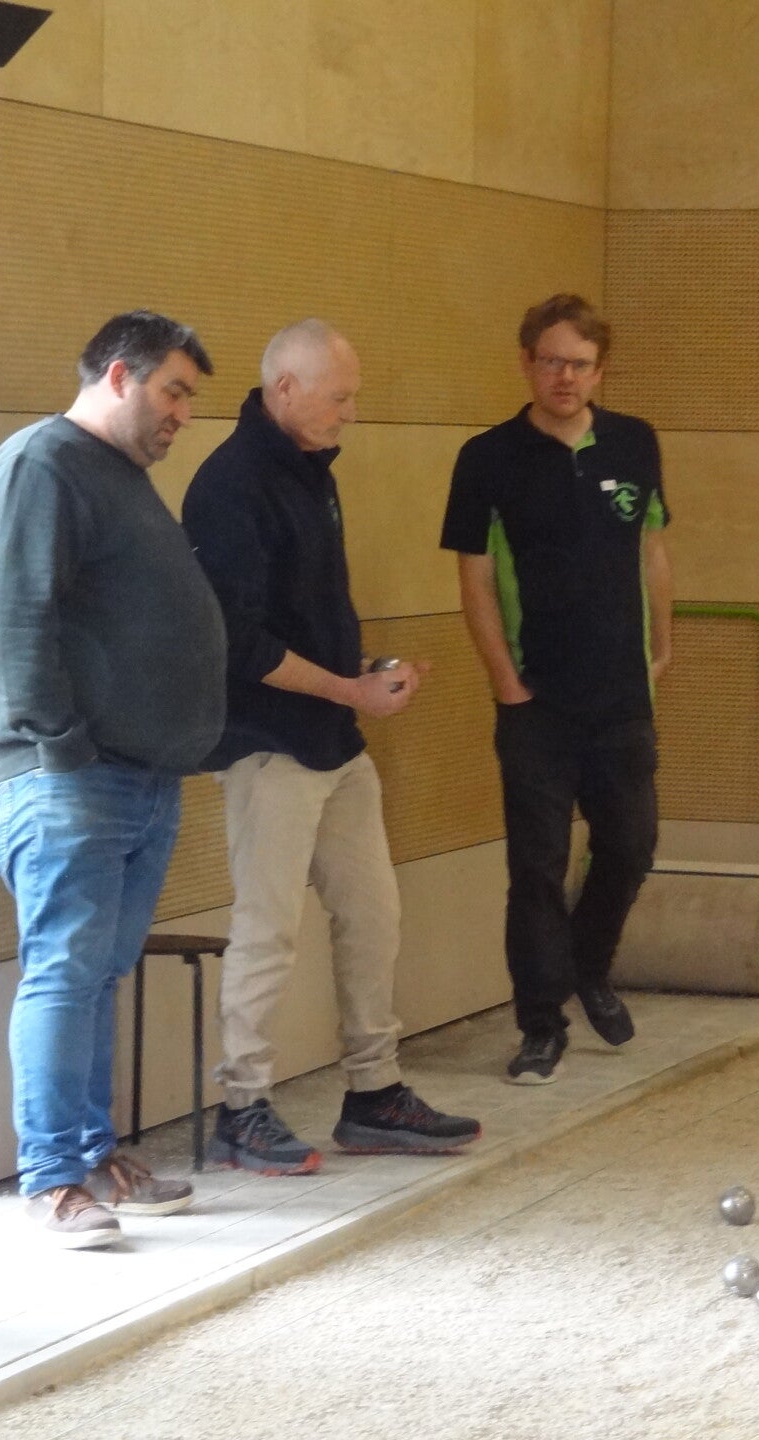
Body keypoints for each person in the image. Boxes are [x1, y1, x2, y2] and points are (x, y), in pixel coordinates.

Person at [182, 319, 482, 1175]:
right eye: (338, 397)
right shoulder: (230, 485)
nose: (350, 413)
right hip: (266, 745)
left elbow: (307, 615)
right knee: (268, 927)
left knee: (373, 914)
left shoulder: (314, 471)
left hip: (335, 738)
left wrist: (367, 673)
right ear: (285, 388)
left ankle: (374, 1092)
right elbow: (241, 642)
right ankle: (242, 1108)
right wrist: (351, 690)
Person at [0, 311, 228, 1248]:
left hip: (138, 778)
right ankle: (51, 1178)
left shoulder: (117, 475)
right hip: (73, 778)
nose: (182, 414)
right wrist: (62, 747)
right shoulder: (43, 464)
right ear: (118, 376)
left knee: (97, 977)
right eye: (173, 391)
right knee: (65, 972)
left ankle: (93, 1156)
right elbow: (15, 617)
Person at [439, 293, 674, 1086]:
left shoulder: (635, 443)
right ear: (526, 363)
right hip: (535, 700)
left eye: (579, 364)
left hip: (621, 699)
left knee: (631, 844)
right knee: (536, 867)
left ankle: (589, 966)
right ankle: (541, 1024)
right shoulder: (488, 458)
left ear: (600, 371)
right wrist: (504, 681)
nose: (564, 377)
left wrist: (662, 647)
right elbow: (474, 580)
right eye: (550, 362)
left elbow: (653, 551)